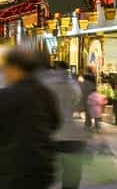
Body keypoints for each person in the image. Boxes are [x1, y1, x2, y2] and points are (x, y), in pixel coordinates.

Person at [0, 49, 59, 189]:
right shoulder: (45, 93)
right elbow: (55, 123)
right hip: (39, 169)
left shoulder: (6, 95)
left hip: (9, 171)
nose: (4, 73)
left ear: (14, 68)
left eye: (5, 69)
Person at [42, 61, 88, 189]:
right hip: (71, 132)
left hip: (49, 132)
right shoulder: (74, 85)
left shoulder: (46, 84)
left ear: (55, 68)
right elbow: (77, 102)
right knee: (72, 174)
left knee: (43, 173)